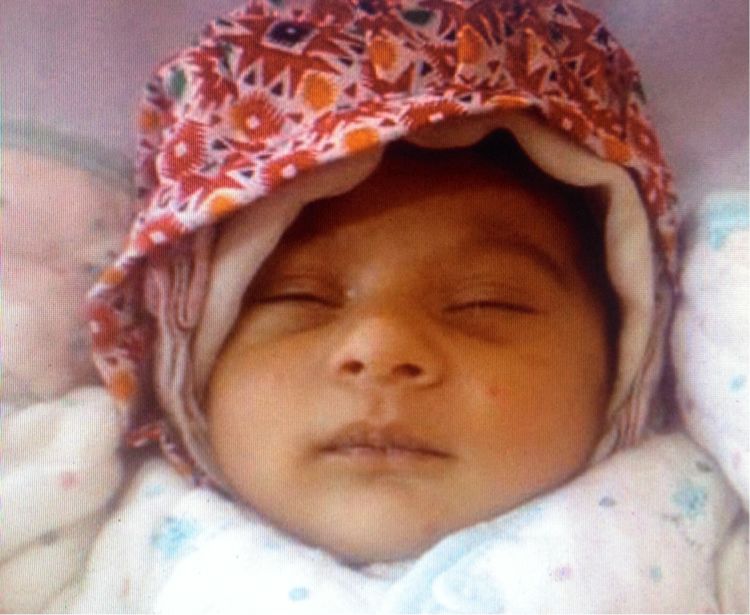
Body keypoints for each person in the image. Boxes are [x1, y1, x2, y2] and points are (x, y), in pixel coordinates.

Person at [3, 1, 746, 612]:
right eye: (298, 298)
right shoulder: (105, 517)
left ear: (624, 362)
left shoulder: (686, 509)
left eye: (487, 303)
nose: (380, 345)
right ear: (188, 375)